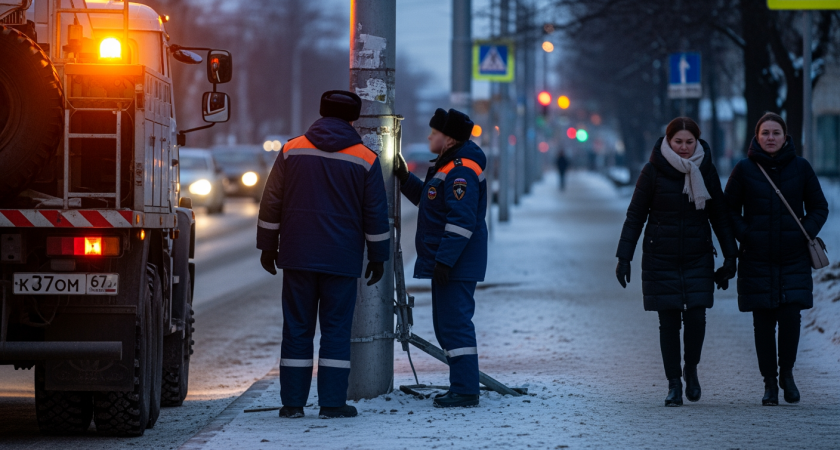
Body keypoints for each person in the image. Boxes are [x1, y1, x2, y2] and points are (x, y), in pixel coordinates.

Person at [256, 90, 390, 419]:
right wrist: (378, 255)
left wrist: (268, 245)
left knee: (297, 329)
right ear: (354, 119)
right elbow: (375, 213)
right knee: (335, 332)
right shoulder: (366, 158)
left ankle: (292, 404)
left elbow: (271, 201)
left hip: (297, 255)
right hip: (341, 261)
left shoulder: (291, 150)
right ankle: (331, 403)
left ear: (320, 112)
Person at [615, 117, 738, 407]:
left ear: (698, 142)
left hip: (697, 255)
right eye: (678, 142)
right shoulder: (652, 171)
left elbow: (719, 215)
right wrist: (624, 257)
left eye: (689, 142)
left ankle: (691, 369)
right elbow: (635, 216)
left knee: (696, 317)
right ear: (668, 141)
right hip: (661, 256)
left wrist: (731, 256)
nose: (683, 148)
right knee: (668, 321)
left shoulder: (705, 170)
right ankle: (673, 384)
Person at [724, 112, 829, 406]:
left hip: (793, 257)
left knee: (790, 319)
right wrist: (747, 234)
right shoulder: (744, 170)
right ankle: (769, 383)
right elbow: (727, 209)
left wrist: (803, 233)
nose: (770, 138)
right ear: (757, 137)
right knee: (763, 323)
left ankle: (787, 375)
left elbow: (820, 207)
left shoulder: (801, 167)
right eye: (765, 133)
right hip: (756, 258)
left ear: (785, 137)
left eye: (776, 133)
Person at [394, 108, 488, 408]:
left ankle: (465, 391)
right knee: (447, 324)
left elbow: (461, 220)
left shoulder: (461, 169)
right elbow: (431, 201)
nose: (429, 136)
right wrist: (405, 178)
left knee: (455, 325)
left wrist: (445, 261)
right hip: (452, 260)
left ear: (448, 138)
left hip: (456, 262)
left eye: (434, 132)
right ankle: (462, 386)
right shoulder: (449, 165)